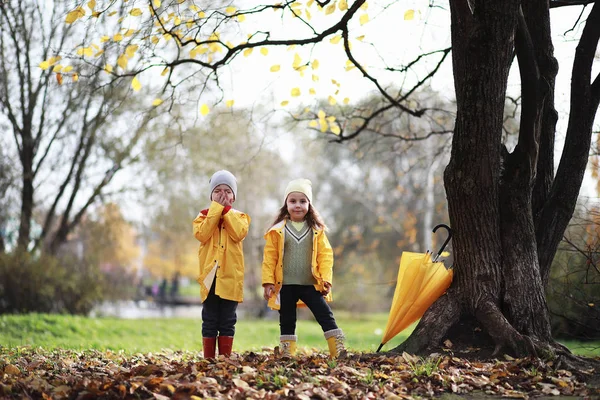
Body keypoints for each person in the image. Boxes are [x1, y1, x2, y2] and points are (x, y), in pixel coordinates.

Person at [261, 178, 345, 358]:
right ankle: (287, 352)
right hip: (286, 285)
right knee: (287, 319)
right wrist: (268, 282)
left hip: (310, 284)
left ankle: (337, 350)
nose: (297, 205)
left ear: (309, 204)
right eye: (293, 201)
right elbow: (269, 258)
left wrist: (326, 279)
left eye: (302, 201)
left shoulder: (316, 230)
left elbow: (325, 256)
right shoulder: (277, 230)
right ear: (286, 204)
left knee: (325, 314)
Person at [193, 170, 250, 358]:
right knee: (209, 319)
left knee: (227, 319)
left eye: (227, 191)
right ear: (210, 195)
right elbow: (202, 234)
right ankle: (208, 358)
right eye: (217, 191)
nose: (222, 194)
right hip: (210, 278)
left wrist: (225, 212)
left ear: (234, 197)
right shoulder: (202, 217)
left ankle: (225, 357)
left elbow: (238, 233)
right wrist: (216, 210)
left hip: (230, 278)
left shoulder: (240, 217)